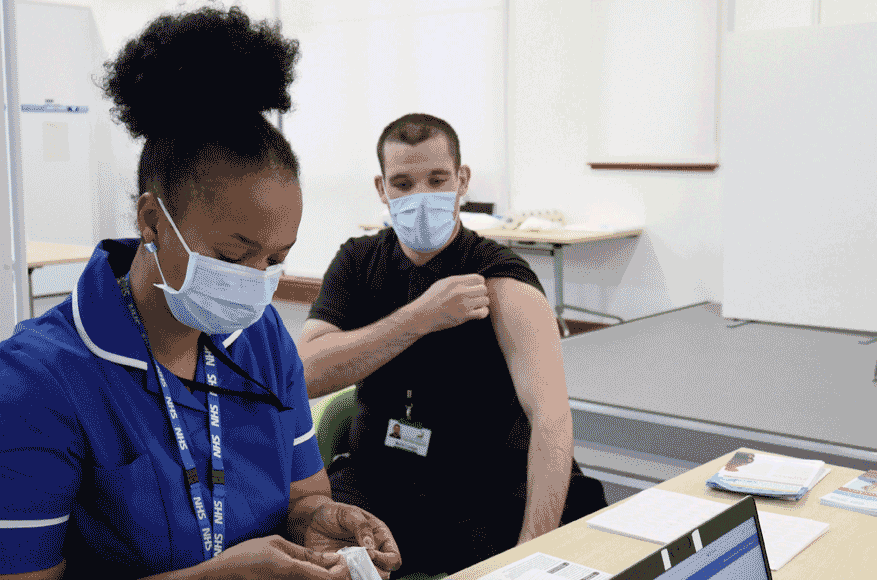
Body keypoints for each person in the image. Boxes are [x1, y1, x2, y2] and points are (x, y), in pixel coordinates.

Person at [0, 7, 401, 579]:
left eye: (276, 260)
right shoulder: (38, 381)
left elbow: (300, 501)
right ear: (152, 221)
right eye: (232, 256)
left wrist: (319, 521)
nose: (256, 280)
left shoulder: (261, 342)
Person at [299, 113, 607, 576]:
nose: (421, 197)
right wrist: (420, 318)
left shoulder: (501, 276)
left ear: (462, 181)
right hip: (379, 478)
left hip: (482, 489)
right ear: (382, 189)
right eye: (403, 183)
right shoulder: (357, 262)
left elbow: (551, 418)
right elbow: (303, 374)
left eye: (437, 179)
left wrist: (530, 554)